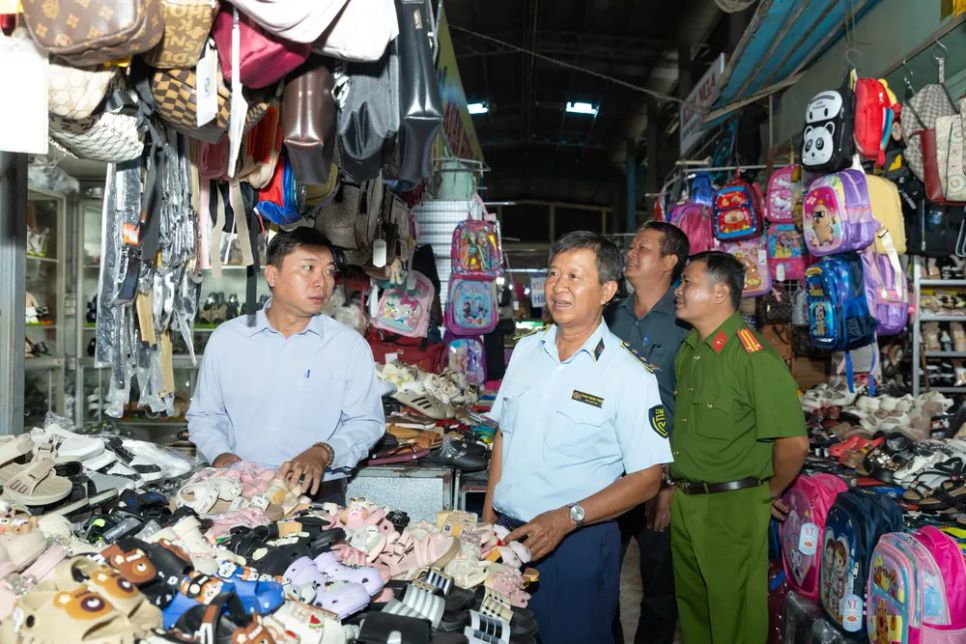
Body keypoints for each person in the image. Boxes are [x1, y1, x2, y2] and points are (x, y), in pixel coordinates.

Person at [482, 231, 673, 644]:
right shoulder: (526, 351)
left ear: (607, 291)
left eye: (574, 276)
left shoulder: (628, 374)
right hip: (506, 537)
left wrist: (568, 518)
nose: (559, 287)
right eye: (554, 274)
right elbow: (504, 438)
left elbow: (648, 478)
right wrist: (487, 521)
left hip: (576, 545)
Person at [670, 251, 808, 644]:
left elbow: (794, 443)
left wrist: (768, 491)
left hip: (732, 506)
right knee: (695, 612)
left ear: (720, 293)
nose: (678, 290)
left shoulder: (753, 357)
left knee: (734, 619)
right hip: (686, 500)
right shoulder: (690, 350)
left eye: (687, 282)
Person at [187, 228, 384, 503]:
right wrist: (221, 454)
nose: (322, 282)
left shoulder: (348, 346)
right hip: (236, 489)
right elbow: (205, 415)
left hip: (316, 492)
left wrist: (323, 452)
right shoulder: (228, 339)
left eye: (329, 271)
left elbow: (366, 422)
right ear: (272, 275)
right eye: (308, 268)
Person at [605, 221, 690, 644]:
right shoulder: (609, 315)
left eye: (643, 247)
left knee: (660, 589)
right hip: (607, 472)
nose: (631, 253)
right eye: (632, 246)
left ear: (669, 261)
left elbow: (692, 410)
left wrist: (669, 482)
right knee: (601, 582)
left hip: (660, 473)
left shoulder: (686, 320)